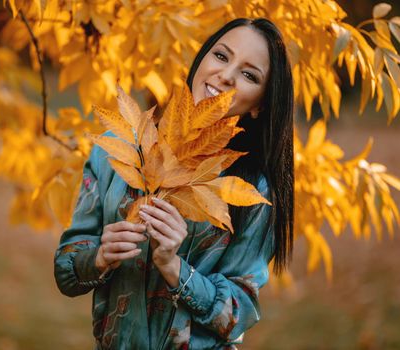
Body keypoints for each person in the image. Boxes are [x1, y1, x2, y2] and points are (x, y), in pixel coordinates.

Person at [54, 17, 294, 349]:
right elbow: (66, 271)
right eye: (221, 56)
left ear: (260, 105)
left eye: (249, 75)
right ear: (201, 59)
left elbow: (239, 313)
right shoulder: (119, 148)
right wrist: (98, 257)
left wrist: (175, 268)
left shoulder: (252, 190)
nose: (225, 75)